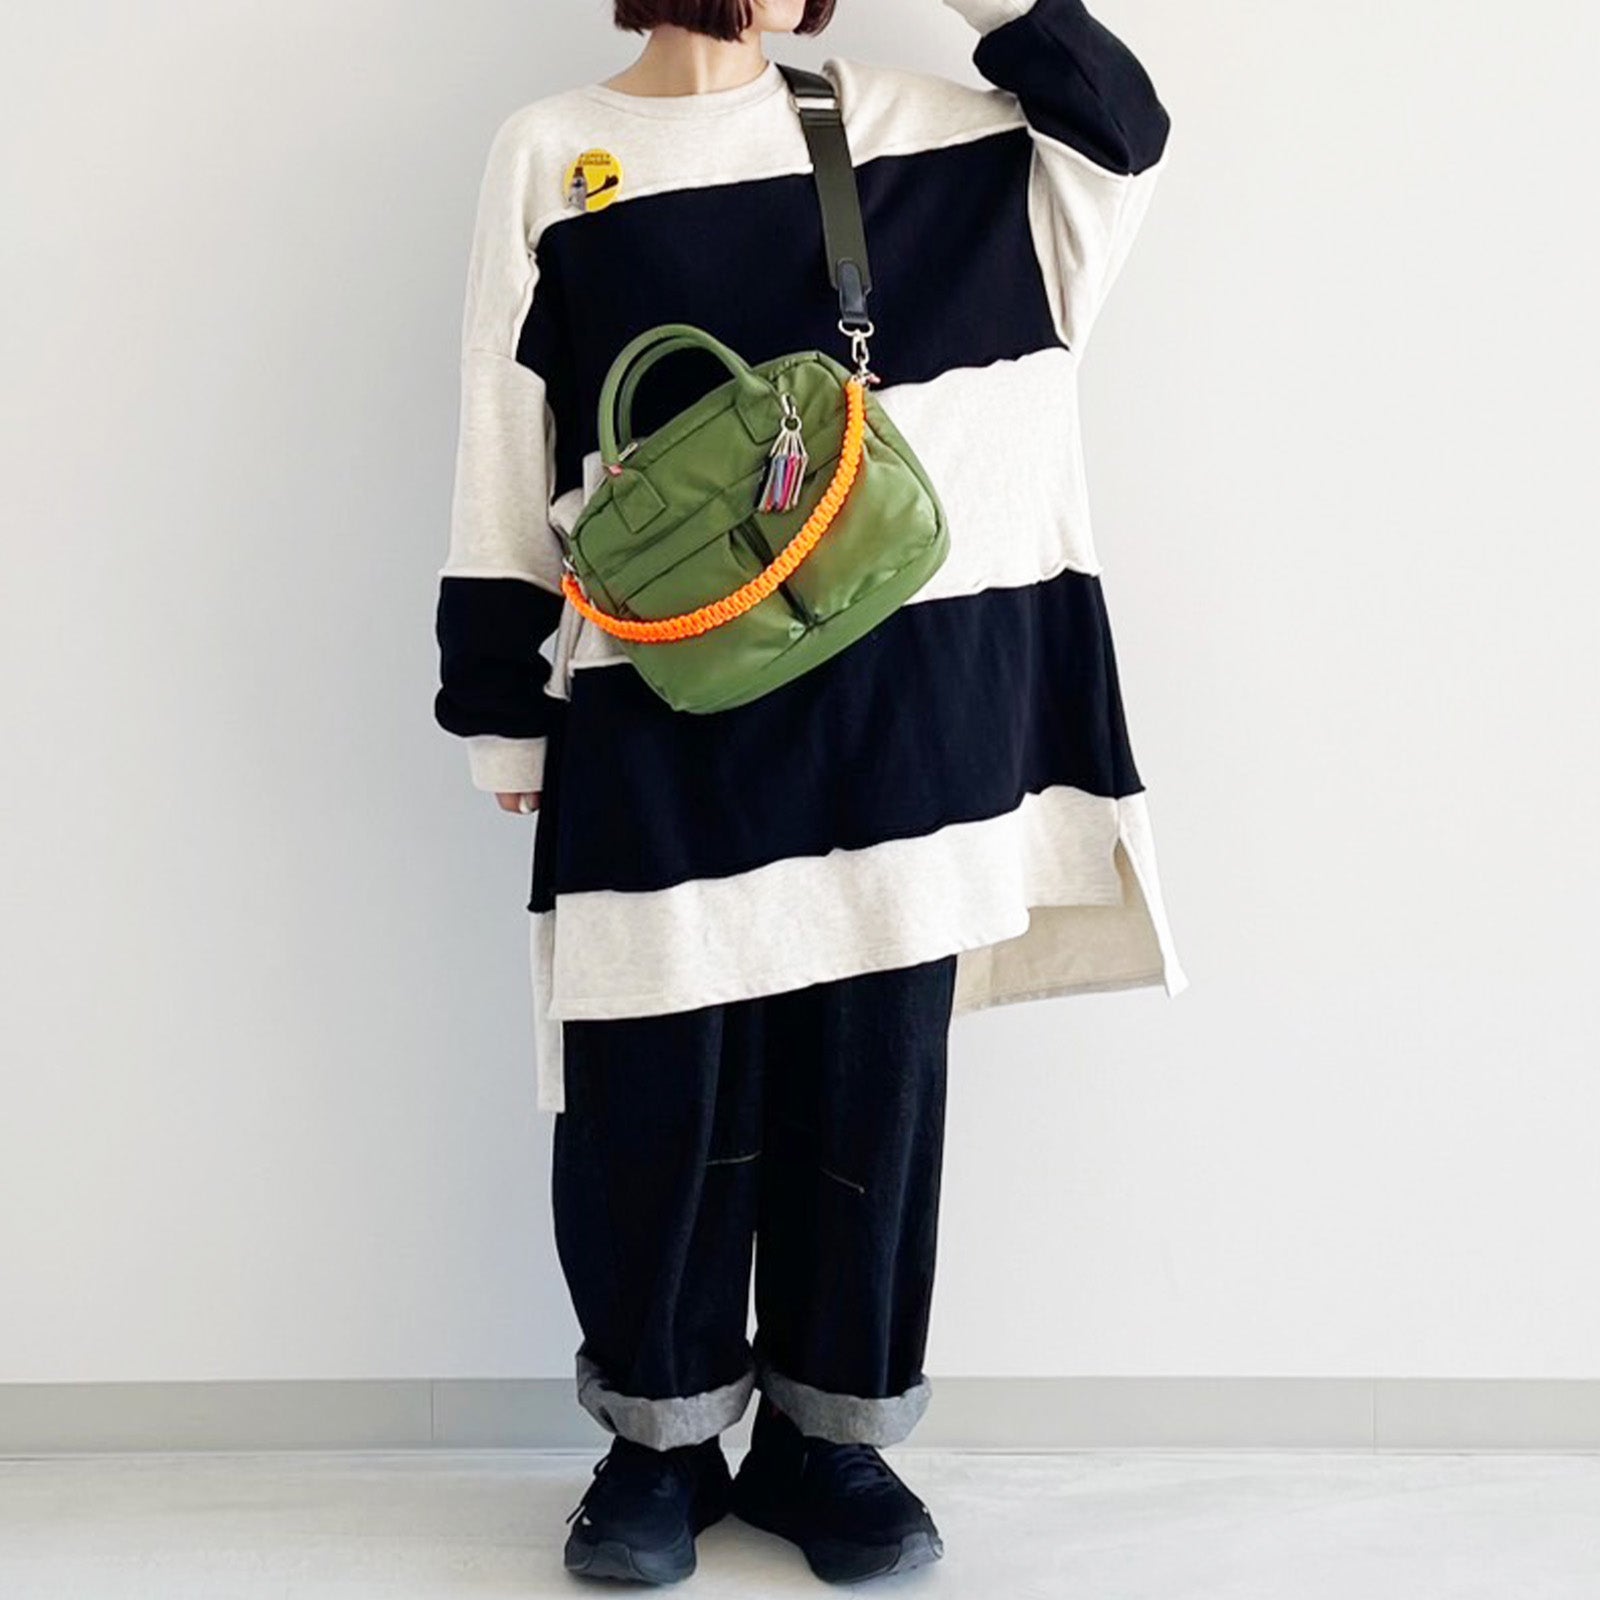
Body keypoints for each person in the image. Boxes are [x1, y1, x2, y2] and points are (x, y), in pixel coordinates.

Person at [433, 0, 1186, 1584]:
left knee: (871, 1095)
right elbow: (507, 426)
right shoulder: (554, 153)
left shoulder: (911, 132)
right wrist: (500, 701)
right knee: (653, 1096)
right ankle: (656, 1450)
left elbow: (1118, 125)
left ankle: (830, 1447)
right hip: (664, 714)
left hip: (897, 726)